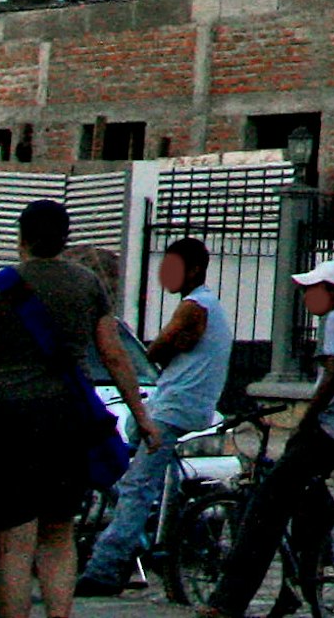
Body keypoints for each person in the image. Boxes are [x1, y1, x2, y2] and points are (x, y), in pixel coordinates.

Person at [0, 197, 158, 618]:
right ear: (65, 239)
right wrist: (141, 416)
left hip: (10, 418)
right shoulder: (88, 284)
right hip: (68, 419)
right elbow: (114, 355)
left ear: (22, 237)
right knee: (58, 532)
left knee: (15, 543)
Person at [195, 261, 334, 618]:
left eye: (311, 289)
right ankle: (297, 585)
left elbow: (333, 373)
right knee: (306, 498)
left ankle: (226, 603)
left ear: (332, 292)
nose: (305, 296)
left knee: (265, 508)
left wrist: (306, 419)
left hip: (333, 429)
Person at [72, 237, 223, 598]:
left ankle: (105, 570)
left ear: (195, 270)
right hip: (179, 404)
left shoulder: (193, 306)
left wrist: (166, 345)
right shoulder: (211, 306)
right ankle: (144, 529)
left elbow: (155, 349)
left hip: (173, 407)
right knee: (129, 447)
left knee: (138, 489)